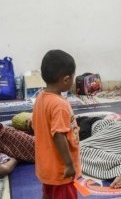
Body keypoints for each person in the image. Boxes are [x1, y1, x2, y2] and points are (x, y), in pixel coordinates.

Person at [32, 49, 81, 199]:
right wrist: (68, 164)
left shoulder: (41, 98)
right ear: (66, 79)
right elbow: (59, 135)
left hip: (47, 168)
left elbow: (35, 125)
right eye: (73, 77)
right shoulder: (59, 105)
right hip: (61, 171)